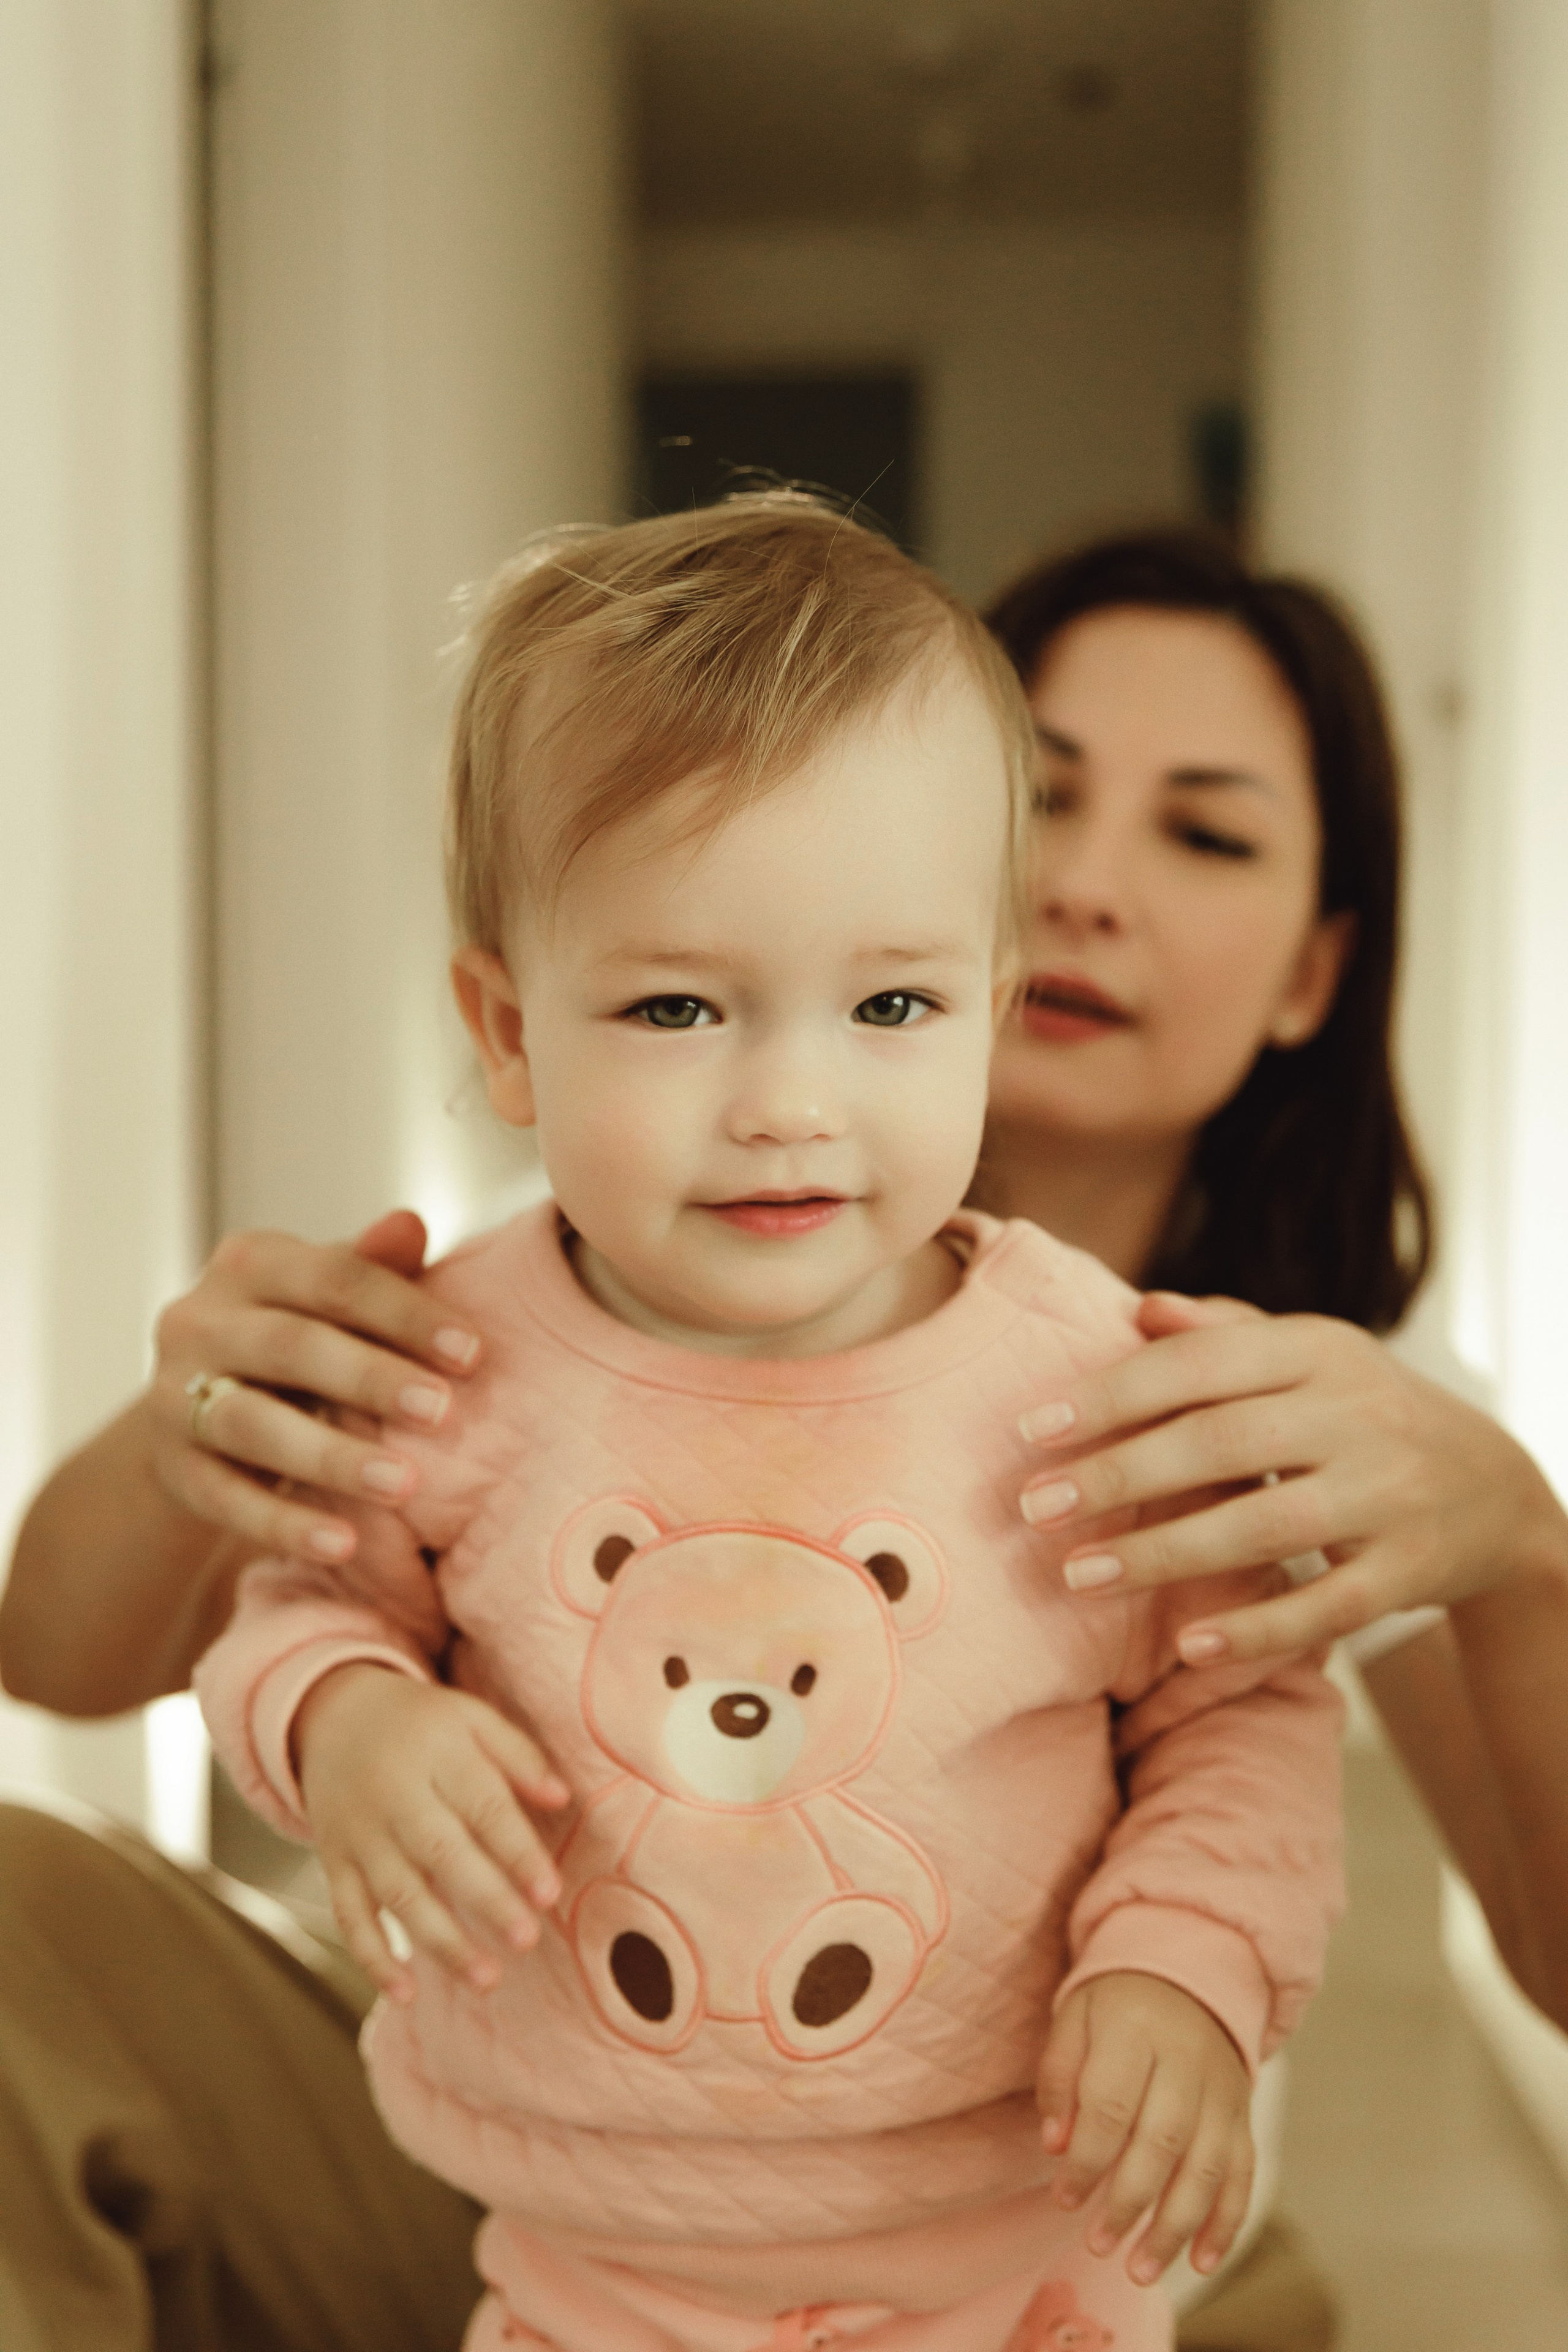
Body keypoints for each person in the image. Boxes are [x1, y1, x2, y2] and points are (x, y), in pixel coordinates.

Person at [5, 518, 1567, 2350]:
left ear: (1312, 972)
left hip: (1019, 2232)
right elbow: (69, 1647)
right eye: (1050, 803)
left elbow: (1336, 1811)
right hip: (538, 2183)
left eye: (1205, 832)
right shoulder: (550, 1291)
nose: (1089, 889)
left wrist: (1520, 1541)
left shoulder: (1308, 1411)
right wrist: (228, 1468)